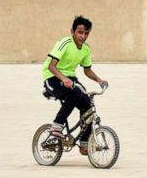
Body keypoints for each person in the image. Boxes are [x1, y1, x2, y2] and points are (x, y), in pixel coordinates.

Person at [42, 16, 109, 156]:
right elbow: (51, 66)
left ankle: (84, 144)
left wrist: (99, 80)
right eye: (80, 32)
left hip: (70, 80)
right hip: (52, 77)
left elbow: (87, 70)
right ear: (72, 31)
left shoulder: (85, 49)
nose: (83, 36)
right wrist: (64, 79)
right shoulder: (65, 43)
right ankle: (56, 127)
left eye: (86, 33)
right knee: (75, 94)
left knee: (88, 105)